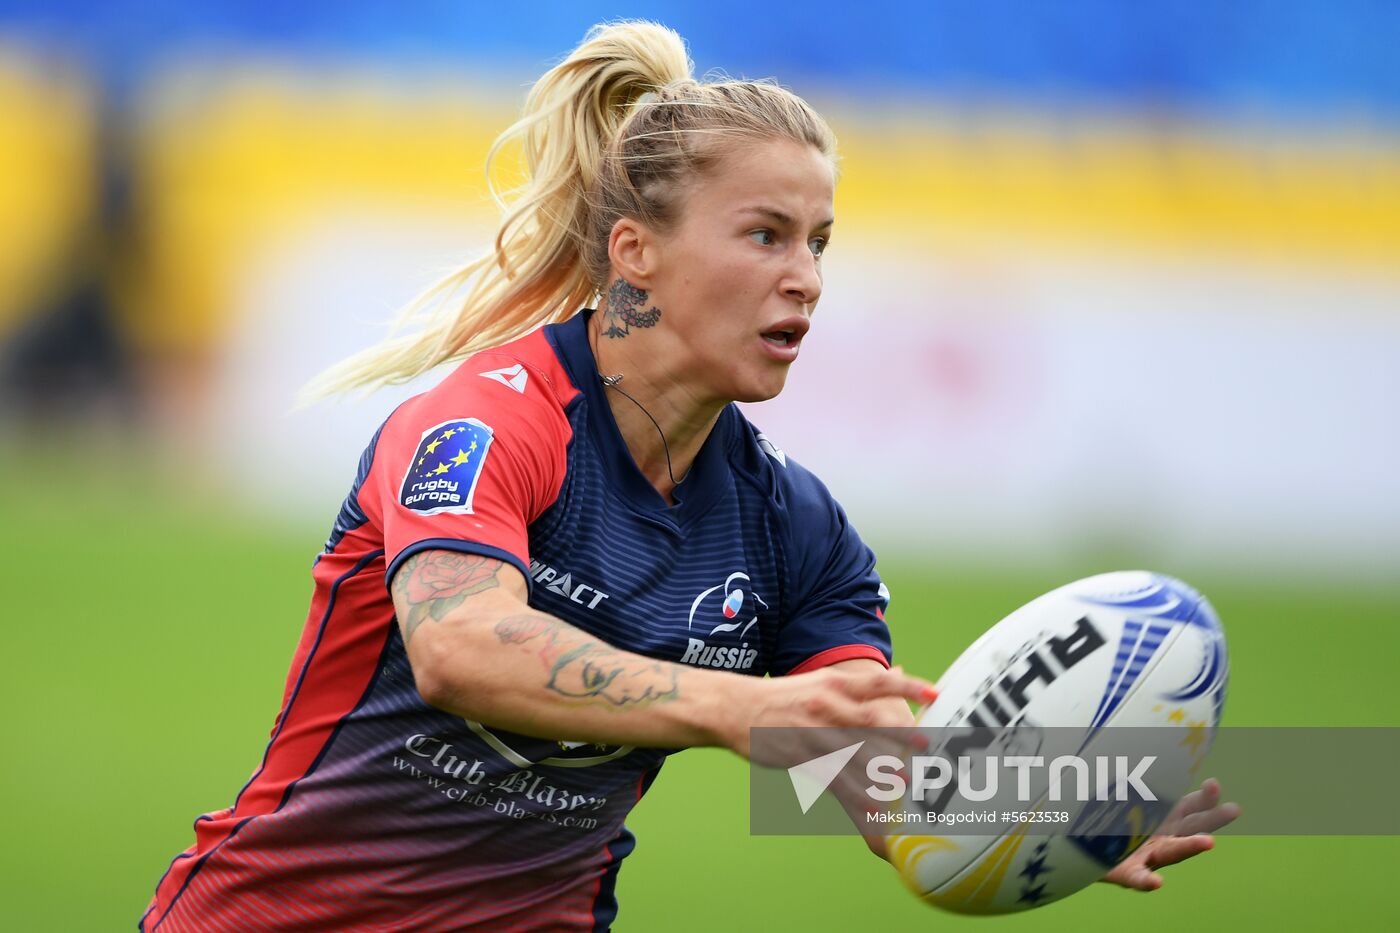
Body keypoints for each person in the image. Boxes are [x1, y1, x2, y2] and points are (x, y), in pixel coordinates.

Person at [141, 21, 1236, 932]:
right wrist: (736, 709)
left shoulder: (797, 531)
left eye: (818, 241)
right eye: (763, 235)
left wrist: (1049, 816)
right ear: (634, 253)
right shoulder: (489, 420)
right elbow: (460, 647)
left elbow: (880, 777)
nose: (804, 280)